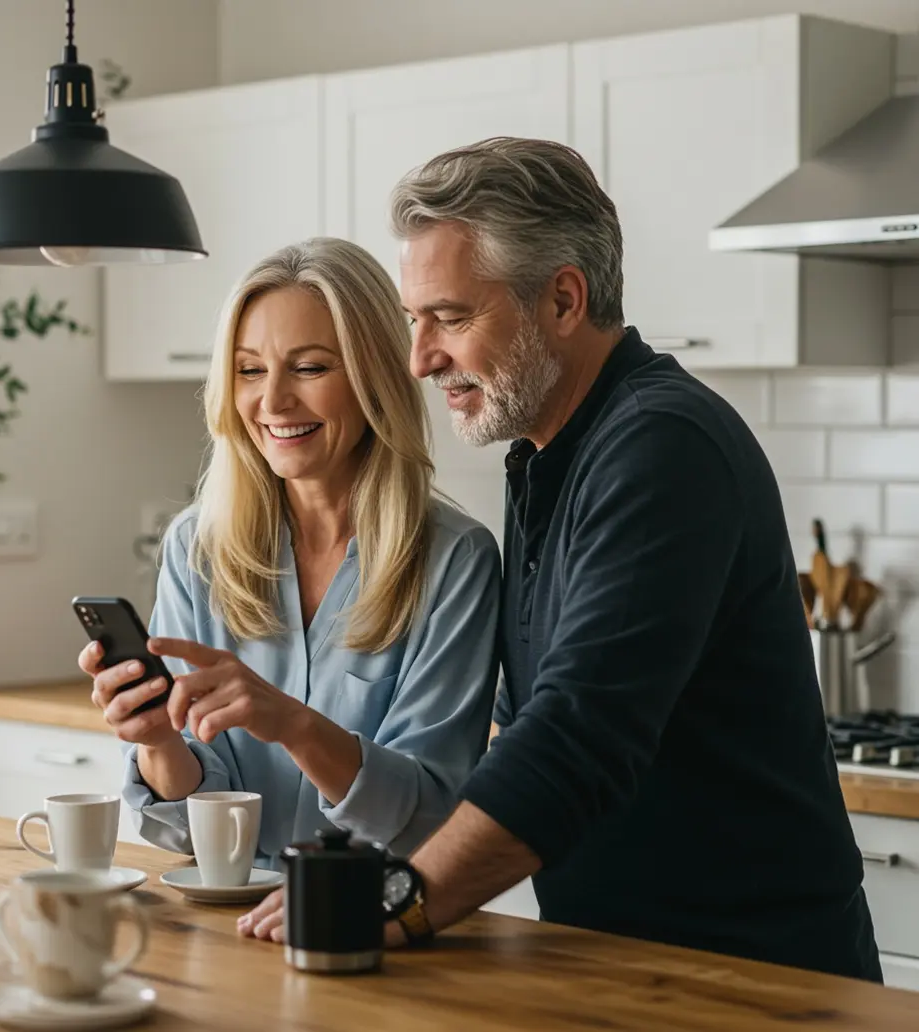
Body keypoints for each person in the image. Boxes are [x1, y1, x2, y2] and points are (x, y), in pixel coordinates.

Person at [239, 138, 882, 983]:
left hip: (756, 978)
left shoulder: (660, 446)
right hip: (629, 960)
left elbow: (578, 737)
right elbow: (531, 726)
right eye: (413, 320)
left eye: (451, 317)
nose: (419, 358)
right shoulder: (546, 456)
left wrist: (395, 896)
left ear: (564, 300)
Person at [80, 236, 501, 867]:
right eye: (249, 370)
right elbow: (193, 832)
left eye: (308, 368)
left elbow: (428, 819)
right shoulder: (196, 548)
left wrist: (295, 725)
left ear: (374, 377)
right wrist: (158, 741)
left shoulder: (455, 561)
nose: (272, 401)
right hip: (228, 924)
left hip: (370, 926)